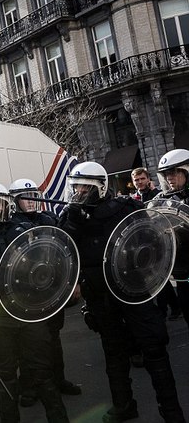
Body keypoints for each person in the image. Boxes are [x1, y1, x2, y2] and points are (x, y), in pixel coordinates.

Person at [58, 161, 185, 423]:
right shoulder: (71, 218)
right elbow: (63, 253)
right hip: (101, 298)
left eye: (85, 187)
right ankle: (124, 406)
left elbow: (150, 242)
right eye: (76, 187)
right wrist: (72, 221)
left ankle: (172, 413)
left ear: (101, 188)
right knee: (114, 353)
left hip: (134, 293)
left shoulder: (125, 209)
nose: (79, 192)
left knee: (154, 349)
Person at [0, 182, 69, 423]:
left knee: (42, 371)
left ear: (6, 204)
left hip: (28, 310)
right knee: (6, 376)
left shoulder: (22, 230)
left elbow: (43, 266)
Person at [8, 179, 82, 407]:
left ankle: (58, 380)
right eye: (25, 196)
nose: (31, 201)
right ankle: (29, 387)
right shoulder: (11, 225)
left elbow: (65, 251)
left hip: (51, 289)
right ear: (16, 201)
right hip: (27, 293)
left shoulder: (49, 220)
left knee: (53, 338)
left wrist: (72, 283)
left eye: (33, 194)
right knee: (28, 344)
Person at [131, 166, 181, 321]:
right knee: (158, 278)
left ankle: (168, 308)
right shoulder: (133, 200)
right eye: (136, 180)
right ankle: (170, 307)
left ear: (148, 179)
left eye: (142, 179)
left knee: (162, 277)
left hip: (161, 240)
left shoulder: (158, 195)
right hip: (146, 243)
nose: (139, 182)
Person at [155, 149, 189, 331]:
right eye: (167, 173)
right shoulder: (161, 201)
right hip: (182, 272)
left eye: (174, 172)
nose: (170, 177)